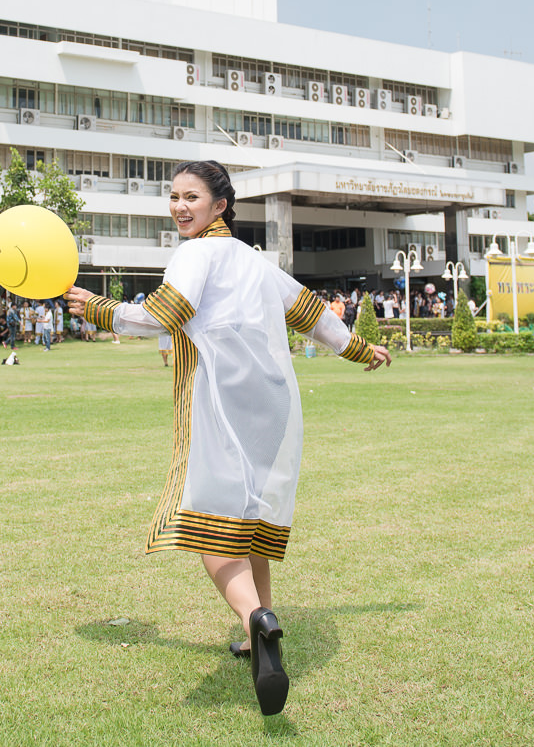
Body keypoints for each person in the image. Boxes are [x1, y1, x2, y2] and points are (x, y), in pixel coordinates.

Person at [66, 161, 389, 717]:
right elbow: (311, 313)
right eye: (172, 197)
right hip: (275, 407)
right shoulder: (254, 260)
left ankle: (255, 619)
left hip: (221, 401)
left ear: (220, 206)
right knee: (249, 522)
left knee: (208, 525)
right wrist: (361, 349)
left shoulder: (195, 253)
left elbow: (164, 316)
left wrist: (97, 308)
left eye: (191, 197)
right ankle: (258, 627)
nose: (179, 206)